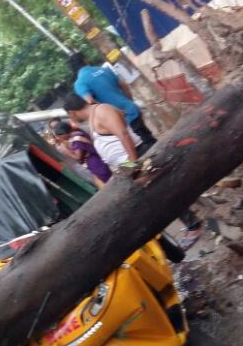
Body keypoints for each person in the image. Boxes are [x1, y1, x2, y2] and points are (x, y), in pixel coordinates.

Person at [63, 94, 204, 247]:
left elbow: (123, 134)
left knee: (162, 193)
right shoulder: (93, 117)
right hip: (129, 162)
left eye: (69, 116)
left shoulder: (101, 111)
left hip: (137, 155)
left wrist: (134, 164)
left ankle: (194, 225)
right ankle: (192, 222)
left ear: (72, 112)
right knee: (158, 196)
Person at [72, 59, 157, 148]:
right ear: (86, 61)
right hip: (130, 108)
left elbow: (90, 101)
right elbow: (123, 84)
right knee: (149, 139)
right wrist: (129, 101)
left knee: (141, 146)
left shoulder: (80, 83)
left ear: (74, 70)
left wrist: (115, 111)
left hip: (118, 119)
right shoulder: (104, 70)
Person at [52, 121, 112, 186]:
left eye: (59, 136)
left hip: (95, 162)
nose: (59, 138)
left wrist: (66, 150)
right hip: (95, 161)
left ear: (64, 133)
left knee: (107, 181)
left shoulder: (77, 140)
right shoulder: (77, 134)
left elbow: (78, 157)